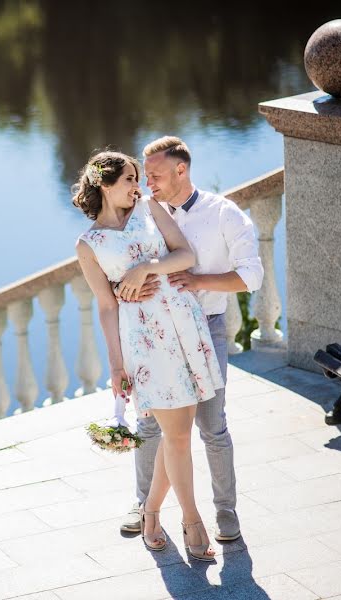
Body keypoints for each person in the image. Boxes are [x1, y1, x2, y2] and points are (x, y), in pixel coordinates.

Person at [74, 150, 223, 561]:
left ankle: (151, 512)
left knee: (177, 435)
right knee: (175, 435)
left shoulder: (150, 207)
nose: (137, 186)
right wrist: (116, 365)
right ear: (104, 184)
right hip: (144, 340)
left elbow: (185, 254)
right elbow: (107, 306)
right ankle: (192, 520)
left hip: (184, 326)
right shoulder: (89, 245)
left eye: (138, 178)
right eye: (128, 179)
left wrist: (145, 270)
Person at [118, 136, 263, 544]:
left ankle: (225, 513)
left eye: (156, 175)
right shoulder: (141, 214)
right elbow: (118, 265)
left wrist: (199, 281)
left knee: (212, 426)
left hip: (208, 327)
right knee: (149, 425)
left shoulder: (224, 214)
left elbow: (252, 276)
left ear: (181, 170)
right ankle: (144, 504)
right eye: (144, 175)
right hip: (156, 336)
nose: (147, 183)